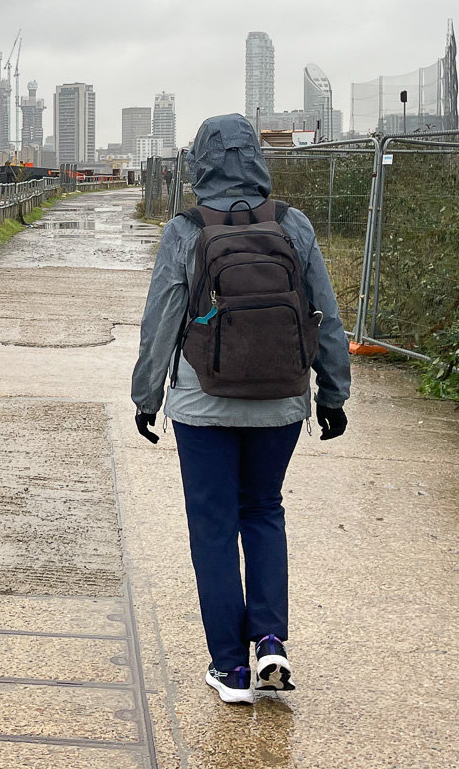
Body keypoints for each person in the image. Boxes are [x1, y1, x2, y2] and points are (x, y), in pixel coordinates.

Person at [131, 113, 350, 704]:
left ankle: (230, 669)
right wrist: (332, 393)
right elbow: (324, 314)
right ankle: (271, 640)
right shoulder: (293, 223)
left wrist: (147, 397)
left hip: (204, 402)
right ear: (257, 158)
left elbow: (161, 324)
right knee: (263, 511)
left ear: (198, 162)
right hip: (280, 401)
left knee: (212, 526)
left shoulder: (185, 229)